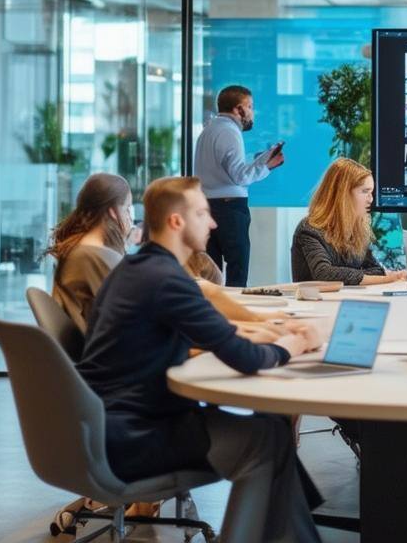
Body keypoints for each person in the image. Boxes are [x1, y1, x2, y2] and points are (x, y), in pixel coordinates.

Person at [78, 176, 324, 543]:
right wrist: (295, 344)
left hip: (105, 427)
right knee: (267, 438)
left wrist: (263, 332)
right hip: (134, 438)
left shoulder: (134, 269)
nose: (212, 223)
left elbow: (210, 336)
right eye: (202, 213)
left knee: (269, 425)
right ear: (176, 221)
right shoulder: (168, 280)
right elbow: (245, 358)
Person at [194, 84, 285, 286]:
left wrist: (261, 160)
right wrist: (267, 166)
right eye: (250, 106)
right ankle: (235, 315)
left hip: (206, 206)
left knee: (211, 274)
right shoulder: (230, 131)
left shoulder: (208, 131)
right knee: (238, 271)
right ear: (238, 109)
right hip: (229, 209)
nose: (252, 112)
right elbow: (240, 177)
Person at [291, 158, 407, 286]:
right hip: (317, 304)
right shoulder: (309, 229)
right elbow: (324, 274)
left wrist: (392, 275)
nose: (371, 199)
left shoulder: (356, 229)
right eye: (365, 192)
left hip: (343, 300)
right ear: (343, 195)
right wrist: (388, 278)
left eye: (371, 192)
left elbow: (374, 269)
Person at [46, 173, 133, 333]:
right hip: (103, 350)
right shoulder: (93, 256)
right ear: (113, 212)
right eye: (127, 208)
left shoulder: (78, 245)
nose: (129, 217)